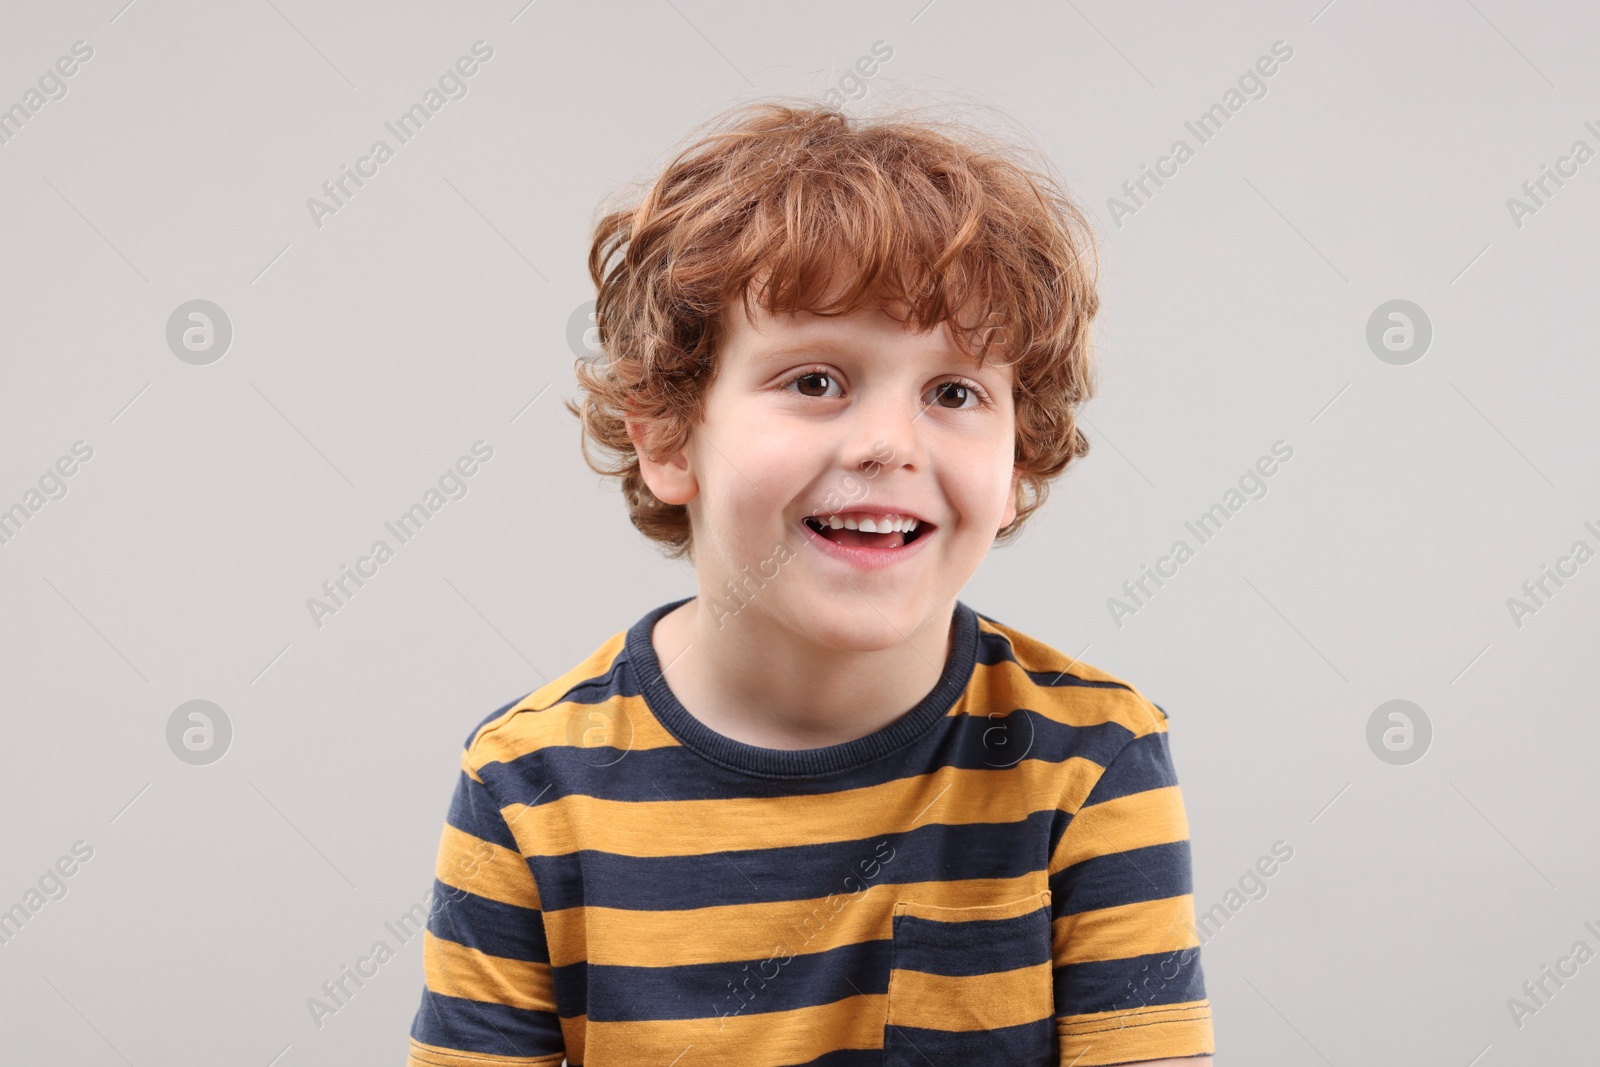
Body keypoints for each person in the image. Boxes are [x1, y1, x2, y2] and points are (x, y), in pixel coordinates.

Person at [405, 96, 1215, 1067]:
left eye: (954, 391)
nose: (887, 443)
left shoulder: (1092, 765)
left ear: (1017, 463)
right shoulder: (528, 787)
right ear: (665, 431)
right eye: (815, 380)